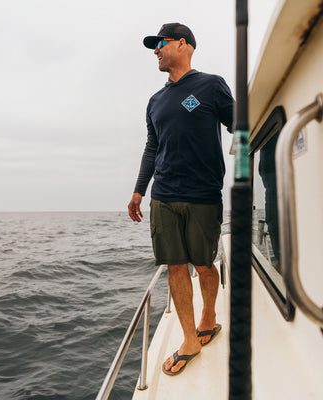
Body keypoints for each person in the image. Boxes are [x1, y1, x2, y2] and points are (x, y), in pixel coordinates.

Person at [128, 23, 234, 376]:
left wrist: (251, 164)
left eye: (160, 43)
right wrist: (139, 190)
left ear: (183, 44)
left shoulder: (210, 85)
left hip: (203, 194)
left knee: (203, 264)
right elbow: (152, 147)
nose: (155, 50)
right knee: (175, 266)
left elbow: (242, 126)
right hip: (164, 196)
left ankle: (209, 314)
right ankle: (189, 338)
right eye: (153, 46)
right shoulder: (155, 101)